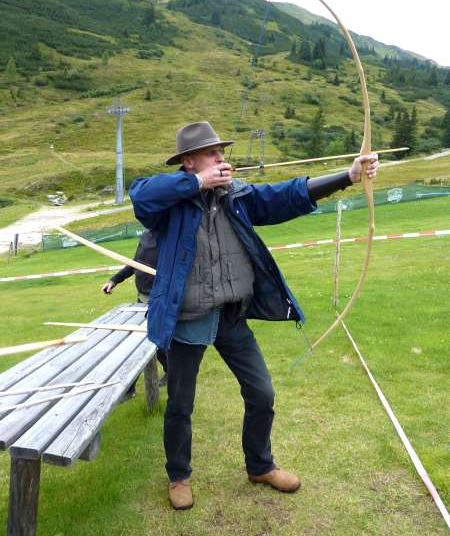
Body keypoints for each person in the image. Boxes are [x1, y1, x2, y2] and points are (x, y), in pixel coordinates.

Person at [129, 121, 379, 511]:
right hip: (188, 318)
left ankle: (260, 466)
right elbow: (140, 195)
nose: (221, 158)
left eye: (221, 151)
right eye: (212, 153)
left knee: (262, 393)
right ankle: (179, 476)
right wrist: (197, 184)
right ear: (189, 162)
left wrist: (347, 176)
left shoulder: (236, 196)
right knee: (180, 404)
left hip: (231, 316)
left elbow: (287, 195)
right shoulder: (169, 205)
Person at [101, 229, 168, 390]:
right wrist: (114, 280)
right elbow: (135, 264)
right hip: (142, 299)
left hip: (159, 301)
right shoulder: (145, 235)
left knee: (154, 344)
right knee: (138, 342)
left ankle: (168, 373)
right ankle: (130, 387)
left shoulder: (168, 236)